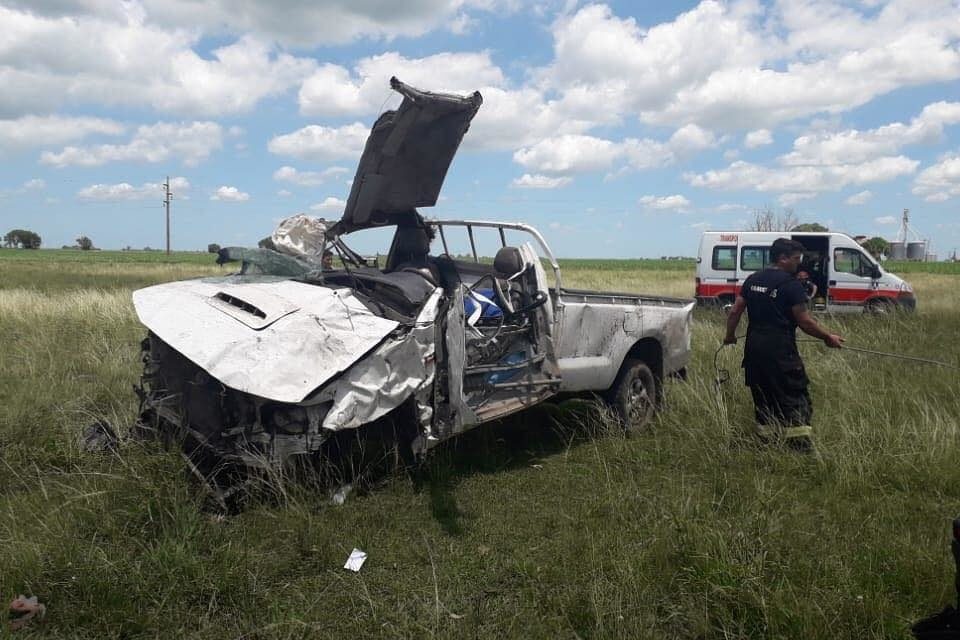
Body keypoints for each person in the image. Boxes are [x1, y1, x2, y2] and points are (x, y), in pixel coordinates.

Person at [723, 238, 843, 452]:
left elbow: (735, 310)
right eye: (796, 259)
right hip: (781, 352)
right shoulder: (791, 285)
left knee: (764, 396)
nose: (799, 263)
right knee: (794, 396)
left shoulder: (752, 280)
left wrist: (730, 336)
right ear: (783, 258)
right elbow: (805, 321)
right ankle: (799, 447)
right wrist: (827, 337)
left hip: (754, 350)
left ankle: (767, 444)